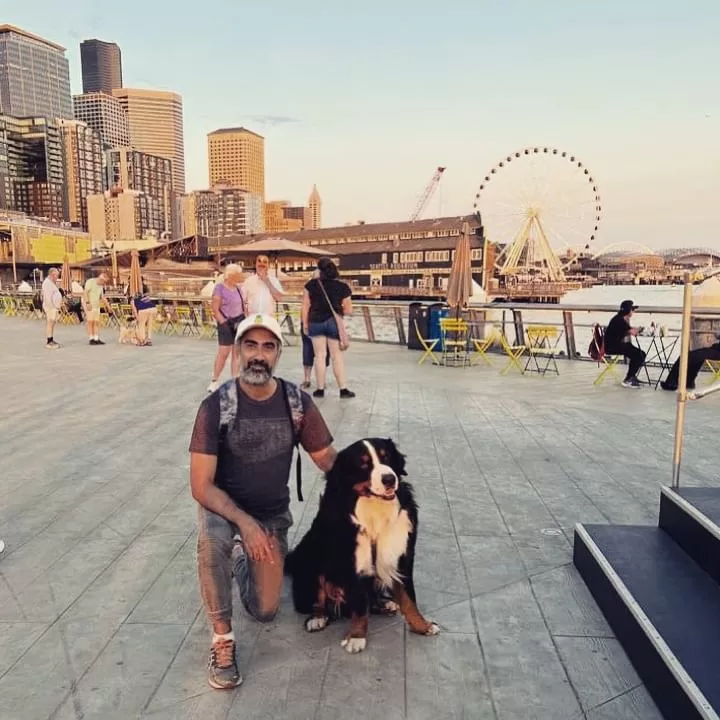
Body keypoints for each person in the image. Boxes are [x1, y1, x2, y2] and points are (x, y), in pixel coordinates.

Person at [189, 313, 337, 690]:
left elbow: (328, 460)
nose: (258, 355)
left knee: (266, 610)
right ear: (237, 352)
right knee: (212, 543)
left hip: (271, 514)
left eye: (268, 346)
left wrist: (372, 480)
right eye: (250, 345)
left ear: (277, 354)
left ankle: (243, 561)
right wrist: (245, 524)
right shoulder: (215, 407)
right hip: (224, 507)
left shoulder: (296, 403)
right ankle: (222, 641)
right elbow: (201, 486)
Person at [301, 258, 355, 399]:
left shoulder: (310, 285)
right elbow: (349, 310)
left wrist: (305, 324)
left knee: (319, 356)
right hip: (332, 322)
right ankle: (343, 390)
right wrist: (338, 310)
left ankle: (319, 390)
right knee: (336, 357)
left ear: (319, 270)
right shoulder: (342, 287)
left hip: (315, 322)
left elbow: (305, 306)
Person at [208, 264, 246, 393]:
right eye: (238, 274)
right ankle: (214, 380)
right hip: (225, 322)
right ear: (230, 275)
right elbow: (215, 308)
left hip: (239, 321)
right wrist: (223, 322)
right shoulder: (219, 288)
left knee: (236, 353)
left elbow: (243, 307)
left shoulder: (239, 289)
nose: (241, 276)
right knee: (223, 353)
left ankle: (234, 380)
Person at [604, 299, 646, 388]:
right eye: (632, 309)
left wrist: (635, 330)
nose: (633, 311)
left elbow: (629, 330)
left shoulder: (619, 318)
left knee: (638, 353)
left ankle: (631, 376)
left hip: (616, 344)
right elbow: (633, 332)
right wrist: (641, 328)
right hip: (612, 346)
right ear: (628, 310)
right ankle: (629, 379)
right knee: (639, 355)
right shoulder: (620, 320)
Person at [83, 272, 110, 345]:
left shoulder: (101, 286)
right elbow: (85, 293)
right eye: (104, 282)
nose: (104, 284)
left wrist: (108, 306)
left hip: (96, 305)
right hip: (89, 304)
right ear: (101, 279)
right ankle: (91, 339)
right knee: (90, 322)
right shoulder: (90, 282)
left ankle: (96, 338)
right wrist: (87, 303)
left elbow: (102, 297)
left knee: (96, 322)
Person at [131, 281, 157, 346]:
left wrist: (137, 318)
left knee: (141, 325)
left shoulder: (132, 300)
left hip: (143, 310)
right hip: (153, 309)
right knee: (149, 324)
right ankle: (149, 340)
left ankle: (142, 341)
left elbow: (134, 310)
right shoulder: (145, 297)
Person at [41, 267, 62, 349]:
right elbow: (48, 297)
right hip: (50, 307)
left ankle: (51, 339)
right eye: (56, 275)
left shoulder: (51, 283)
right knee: (50, 323)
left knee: (52, 323)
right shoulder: (47, 283)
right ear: (52, 275)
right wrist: (52, 307)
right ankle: (49, 341)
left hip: (53, 307)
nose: (57, 277)